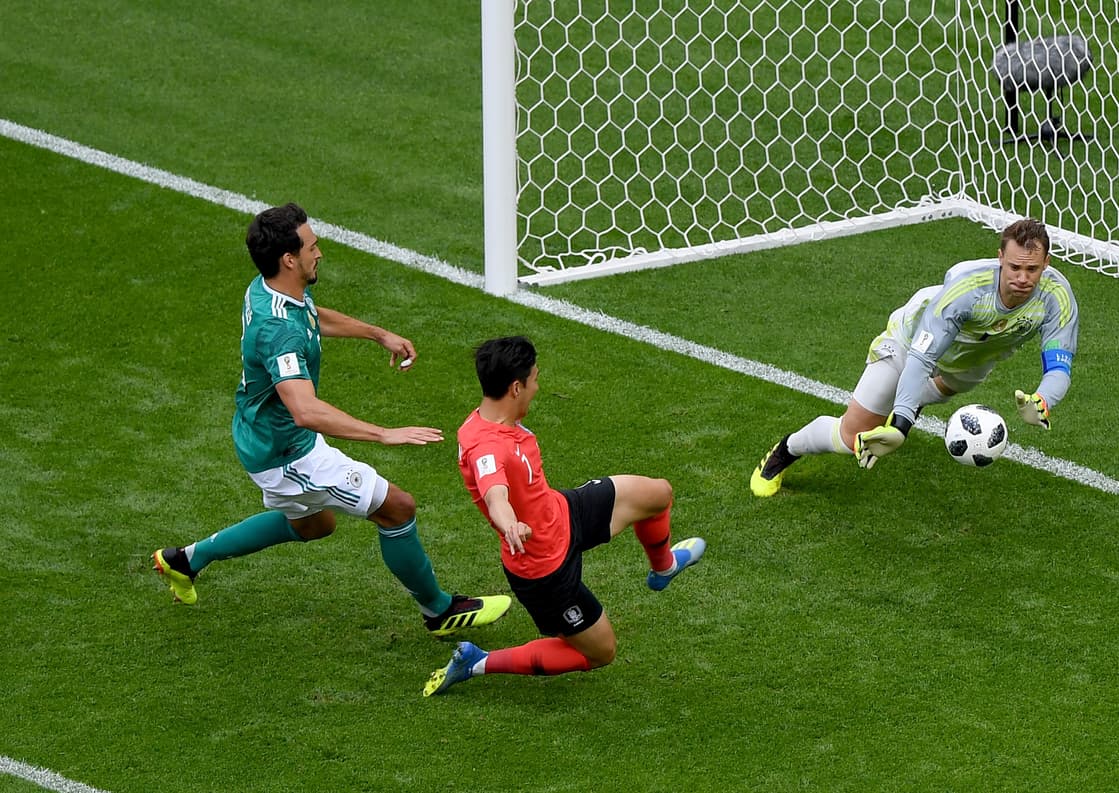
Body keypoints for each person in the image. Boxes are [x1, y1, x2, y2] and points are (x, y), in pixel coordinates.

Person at [151, 202, 510, 637]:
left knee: (315, 524)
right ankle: (439, 610)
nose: (319, 253)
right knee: (397, 508)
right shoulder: (277, 329)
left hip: (261, 434)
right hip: (287, 454)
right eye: (312, 247)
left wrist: (377, 334)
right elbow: (304, 410)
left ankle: (185, 560)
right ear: (289, 259)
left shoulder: (268, 288)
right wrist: (384, 434)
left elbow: (310, 316)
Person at [423, 336, 706, 696]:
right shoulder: (486, 448)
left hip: (563, 512)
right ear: (515, 387)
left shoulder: (491, 421)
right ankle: (477, 662)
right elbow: (495, 494)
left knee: (658, 494)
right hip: (545, 571)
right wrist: (509, 524)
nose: (537, 387)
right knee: (601, 652)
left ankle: (663, 569)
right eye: (535, 379)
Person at [750, 217, 1077, 495]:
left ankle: (912, 399)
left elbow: (1059, 366)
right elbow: (921, 358)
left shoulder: (1056, 297)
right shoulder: (967, 291)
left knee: (938, 388)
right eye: (1015, 267)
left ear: (1046, 263)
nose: (1022, 278)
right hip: (910, 343)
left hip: (973, 360)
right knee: (851, 437)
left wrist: (1043, 400)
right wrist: (900, 427)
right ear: (1000, 258)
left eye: (1032, 269)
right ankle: (785, 451)